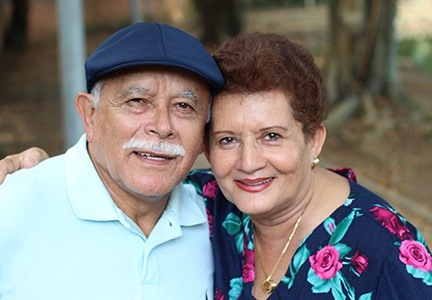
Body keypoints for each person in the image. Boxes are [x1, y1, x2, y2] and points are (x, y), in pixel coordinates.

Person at [2, 32, 432, 299]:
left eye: (272, 136)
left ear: (314, 138)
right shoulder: (212, 203)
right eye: (228, 140)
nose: (248, 163)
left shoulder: (386, 251)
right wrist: (30, 173)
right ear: (90, 115)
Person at [0, 22, 224, 299]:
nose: (162, 126)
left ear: (205, 132)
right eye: (138, 101)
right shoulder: (12, 207)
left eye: (184, 106)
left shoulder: (219, 221)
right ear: (90, 115)